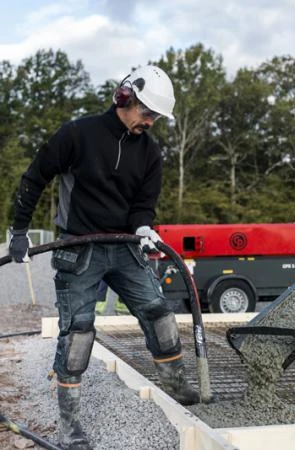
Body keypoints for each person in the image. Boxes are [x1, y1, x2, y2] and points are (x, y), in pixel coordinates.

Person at [9, 65, 199, 450]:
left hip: (125, 246)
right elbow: (34, 177)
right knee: (78, 333)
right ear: (124, 97)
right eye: (147, 112)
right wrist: (19, 231)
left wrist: (144, 228)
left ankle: (178, 389)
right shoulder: (78, 135)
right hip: (79, 248)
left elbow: (143, 205)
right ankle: (70, 426)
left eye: (156, 117)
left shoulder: (150, 151)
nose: (150, 121)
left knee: (160, 315)